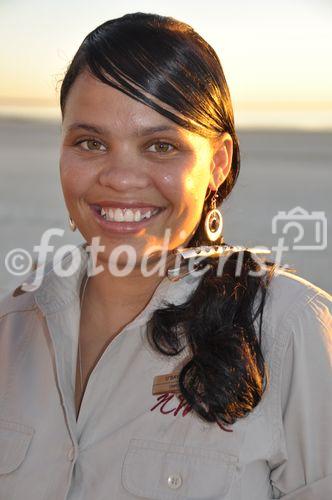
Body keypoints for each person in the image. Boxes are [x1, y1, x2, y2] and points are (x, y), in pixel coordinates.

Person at [0, 12, 331, 500]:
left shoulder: (287, 330)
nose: (120, 178)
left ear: (217, 163)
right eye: (90, 143)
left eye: (160, 146)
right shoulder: (10, 330)